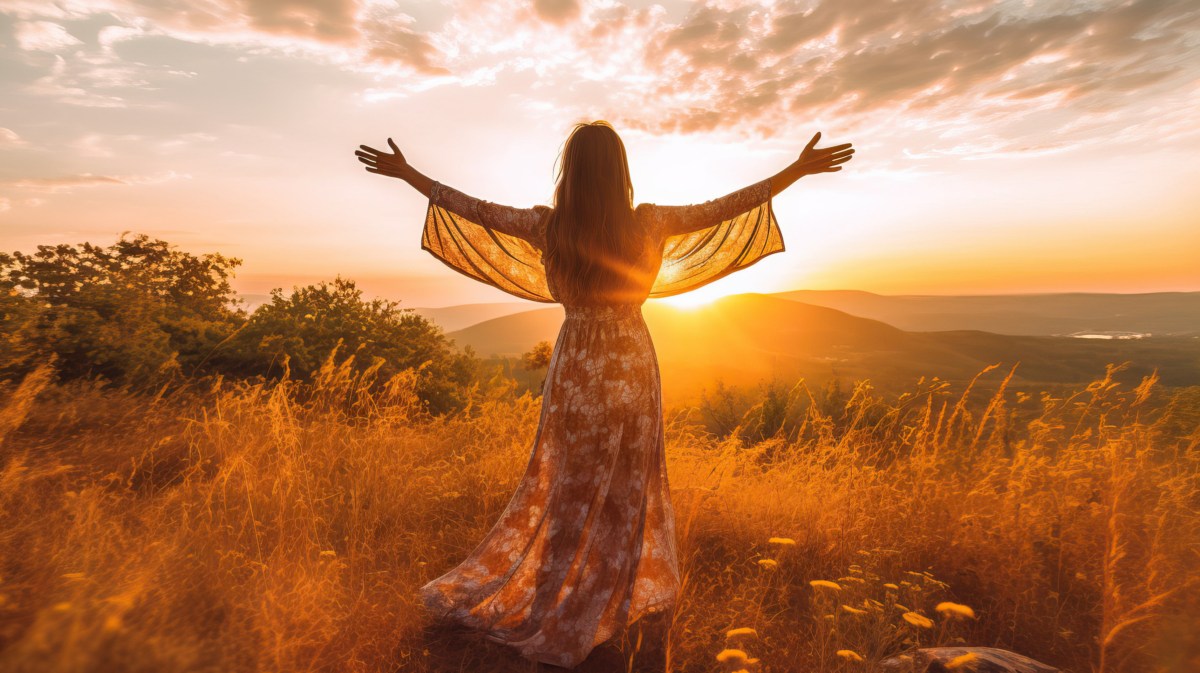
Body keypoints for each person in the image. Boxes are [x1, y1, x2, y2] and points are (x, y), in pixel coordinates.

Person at [354, 122, 853, 668]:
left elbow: (472, 208)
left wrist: (408, 175)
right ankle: (608, 602)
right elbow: (729, 206)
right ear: (620, 171)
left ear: (571, 171)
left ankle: (562, 599)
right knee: (625, 490)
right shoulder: (651, 222)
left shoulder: (549, 225)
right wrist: (794, 171)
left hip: (577, 365)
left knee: (569, 485)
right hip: (632, 362)